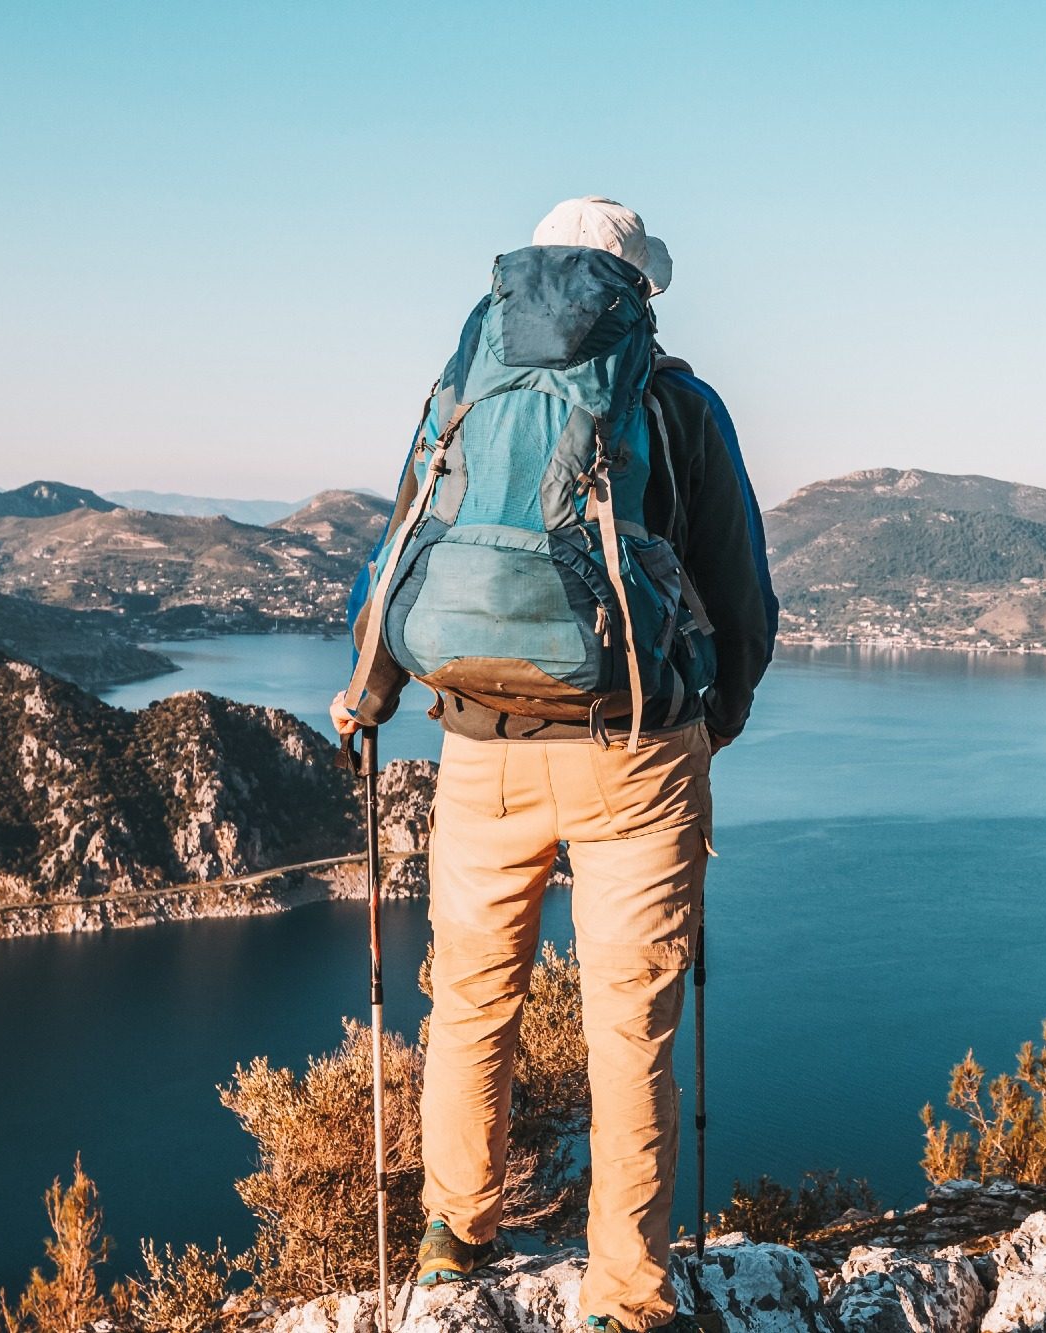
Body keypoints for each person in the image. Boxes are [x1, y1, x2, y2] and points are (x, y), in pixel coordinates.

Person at [332, 196, 775, 1333]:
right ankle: (623, 1296)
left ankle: (451, 1238)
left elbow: (399, 555)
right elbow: (740, 594)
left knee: (471, 1002)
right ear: (637, 292)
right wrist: (704, 723)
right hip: (633, 755)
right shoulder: (673, 403)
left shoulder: (465, 389)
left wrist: (374, 694)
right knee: (629, 1025)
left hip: (476, 742)